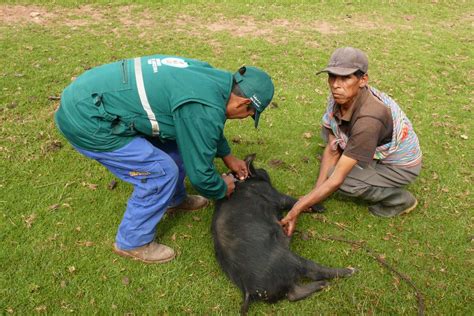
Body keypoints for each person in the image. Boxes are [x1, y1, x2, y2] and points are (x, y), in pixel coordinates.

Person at [55, 54, 274, 263]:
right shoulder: (203, 108)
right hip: (88, 120)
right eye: (249, 114)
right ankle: (133, 241)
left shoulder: (212, 79)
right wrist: (220, 188)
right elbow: (201, 175)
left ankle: (173, 199)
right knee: (160, 172)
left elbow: (199, 127)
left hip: (91, 95)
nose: (245, 118)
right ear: (242, 103)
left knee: (179, 145)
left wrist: (227, 155)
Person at [280, 47, 422, 236]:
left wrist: (297, 207)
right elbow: (332, 149)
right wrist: (314, 195)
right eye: (332, 76)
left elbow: (336, 179)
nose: (336, 85)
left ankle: (399, 200)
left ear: (363, 80)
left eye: (345, 78)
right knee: (329, 132)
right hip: (373, 146)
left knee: (345, 182)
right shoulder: (340, 98)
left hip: (399, 166)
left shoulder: (370, 119)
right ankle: (358, 164)